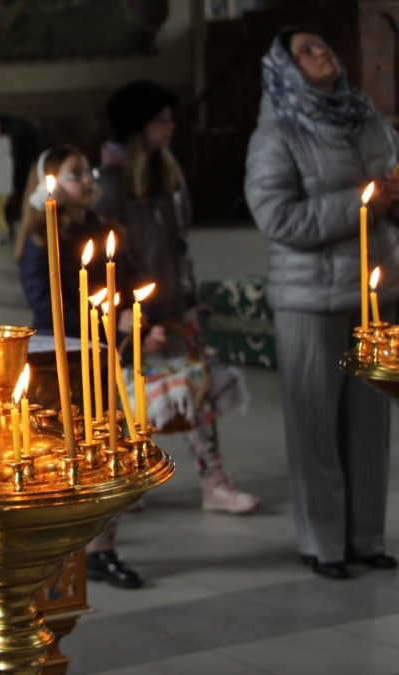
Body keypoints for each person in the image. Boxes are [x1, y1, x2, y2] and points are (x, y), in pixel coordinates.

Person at [245, 28, 399, 579]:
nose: (323, 53)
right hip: (311, 297)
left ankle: (365, 536)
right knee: (315, 422)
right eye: (307, 51)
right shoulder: (277, 135)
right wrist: (362, 206)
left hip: (376, 293)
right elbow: (278, 217)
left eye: (324, 46)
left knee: (370, 421)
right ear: (287, 70)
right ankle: (322, 542)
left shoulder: (367, 118)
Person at [97, 79, 260, 516]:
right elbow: (115, 260)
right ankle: (131, 479)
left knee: (194, 393)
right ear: (137, 128)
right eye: (161, 120)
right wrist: (139, 320)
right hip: (137, 317)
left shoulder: (166, 173)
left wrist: (189, 299)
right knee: (132, 403)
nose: (172, 127)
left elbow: (178, 246)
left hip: (174, 309)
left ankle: (214, 482)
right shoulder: (112, 185)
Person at [14, 144, 146, 588]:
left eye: (88, 171)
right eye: (74, 174)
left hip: (110, 353)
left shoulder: (105, 228)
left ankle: (104, 550)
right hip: (65, 363)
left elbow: (130, 281)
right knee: (76, 454)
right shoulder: (40, 241)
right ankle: (72, 552)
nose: (88, 180)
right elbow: (48, 308)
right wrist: (107, 314)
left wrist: (140, 316)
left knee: (112, 451)